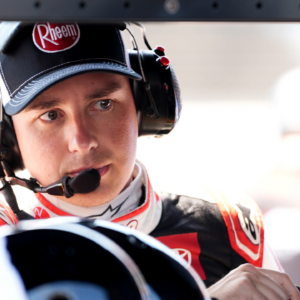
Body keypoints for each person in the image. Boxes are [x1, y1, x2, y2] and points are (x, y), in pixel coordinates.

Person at [0, 21, 299, 300]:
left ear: (147, 105)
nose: (82, 141)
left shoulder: (227, 222)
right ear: (9, 138)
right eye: (50, 115)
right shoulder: (4, 242)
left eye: (103, 104)